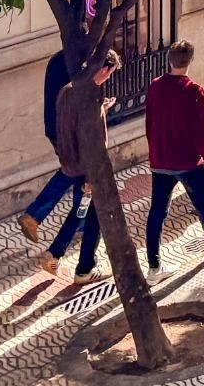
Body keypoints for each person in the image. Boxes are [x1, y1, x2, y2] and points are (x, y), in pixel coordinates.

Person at [143, 40, 204, 279]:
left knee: (157, 212)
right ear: (190, 61)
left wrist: (155, 151)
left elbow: (150, 124)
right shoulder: (192, 91)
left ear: (169, 60)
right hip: (186, 161)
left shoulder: (154, 87)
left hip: (160, 160)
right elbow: (202, 131)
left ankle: (154, 266)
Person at [45, 49, 122, 284]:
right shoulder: (88, 98)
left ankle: (56, 253)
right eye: (110, 73)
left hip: (74, 161)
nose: (109, 78)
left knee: (82, 211)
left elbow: (69, 127)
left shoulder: (70, 91)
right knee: (94, 214)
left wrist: (102, 108)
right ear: (104, 69)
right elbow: (90, 139)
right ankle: (84, 269)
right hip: (89, 168)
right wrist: (92, 176)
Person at [16, 48, 75, 243]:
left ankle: (80, 222)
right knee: (73, 170)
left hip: (54, 127)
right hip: (65, 130)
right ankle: (34, 215)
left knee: (79, 175)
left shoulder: (56, 60)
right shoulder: (74, 64)